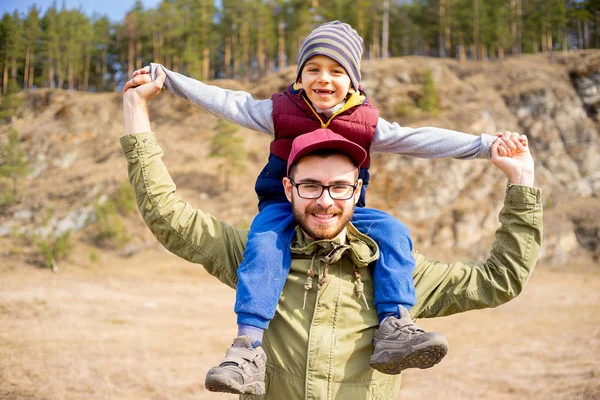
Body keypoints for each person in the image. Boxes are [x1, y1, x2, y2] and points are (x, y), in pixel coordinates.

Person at [124, 20, 521, 394]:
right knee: (264, 246)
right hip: (284, 209)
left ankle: (395, 325)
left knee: (394, 231)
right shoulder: (279, 112)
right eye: (312, 68)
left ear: (353, 80)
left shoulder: (367, 124)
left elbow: (421, 139)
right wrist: (168, 78)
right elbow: (228, 103)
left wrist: (484, 145)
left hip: (351, 212)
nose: (323, 78)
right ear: (299, 76)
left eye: (336, 70)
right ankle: (247, 347)